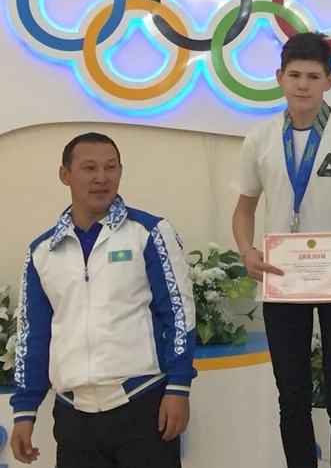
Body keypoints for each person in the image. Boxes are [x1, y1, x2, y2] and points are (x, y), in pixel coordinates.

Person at [231, 32, 331, 468]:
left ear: (329, 81)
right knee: (292, 398)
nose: (303, 84)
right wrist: (246, 251)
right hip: (283, 284)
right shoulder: (260, 138)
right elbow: (243, 209)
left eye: (313, 76)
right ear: (279, 77)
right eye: (295, 75)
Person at [11, 132, 196, 467]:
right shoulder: (42, 252)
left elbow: (179, 312)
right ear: (65, 175)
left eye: (111, 167)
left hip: (143, 404)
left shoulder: (149, 232)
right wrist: (25, 410)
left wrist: (179, 386)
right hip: (74, 416)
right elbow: (33, 335)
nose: (101, 177)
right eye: (89, 168)